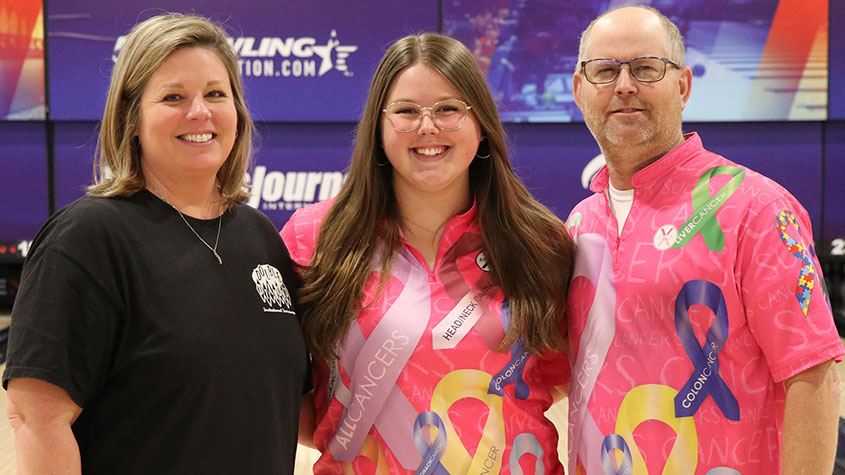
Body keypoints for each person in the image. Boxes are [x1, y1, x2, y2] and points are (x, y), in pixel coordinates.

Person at [3, 13, 309, 474]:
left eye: (215, 94)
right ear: (131, 118)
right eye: (173, 97)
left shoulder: (260, 236)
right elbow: (37, 420)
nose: (200, 113)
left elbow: (285, 406)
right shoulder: (87, 239)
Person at [566, 5, 843, 474]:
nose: (625, 85)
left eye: (647, 68)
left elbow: (813, 372)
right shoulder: (578, 224)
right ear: (579, 90)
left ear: (683, 86)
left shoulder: (755, 207)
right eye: (605, 71)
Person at [281, 33, 574, 474]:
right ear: (378, 128)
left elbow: (550, 379)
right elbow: (279, 395)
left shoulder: (538, 241)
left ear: (481, 123)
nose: (427, 127)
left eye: (448, 109)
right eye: (405, 111)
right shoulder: (314, 237)